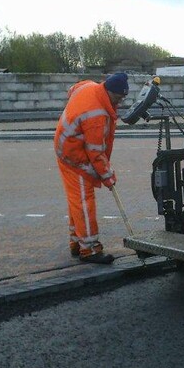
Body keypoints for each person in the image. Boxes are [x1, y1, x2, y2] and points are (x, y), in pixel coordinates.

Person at [54, 72, 129, 264]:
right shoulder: (97, 115)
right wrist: (108, 177)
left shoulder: (90, 86)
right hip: (74, 155)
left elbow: (73, 89)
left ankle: (76, 243)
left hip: (66, 147)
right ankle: (89, 249)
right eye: (118, 98)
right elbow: (95, 152)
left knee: (76, 200)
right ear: (109, 91)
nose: (119, 103)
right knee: (84, 200)